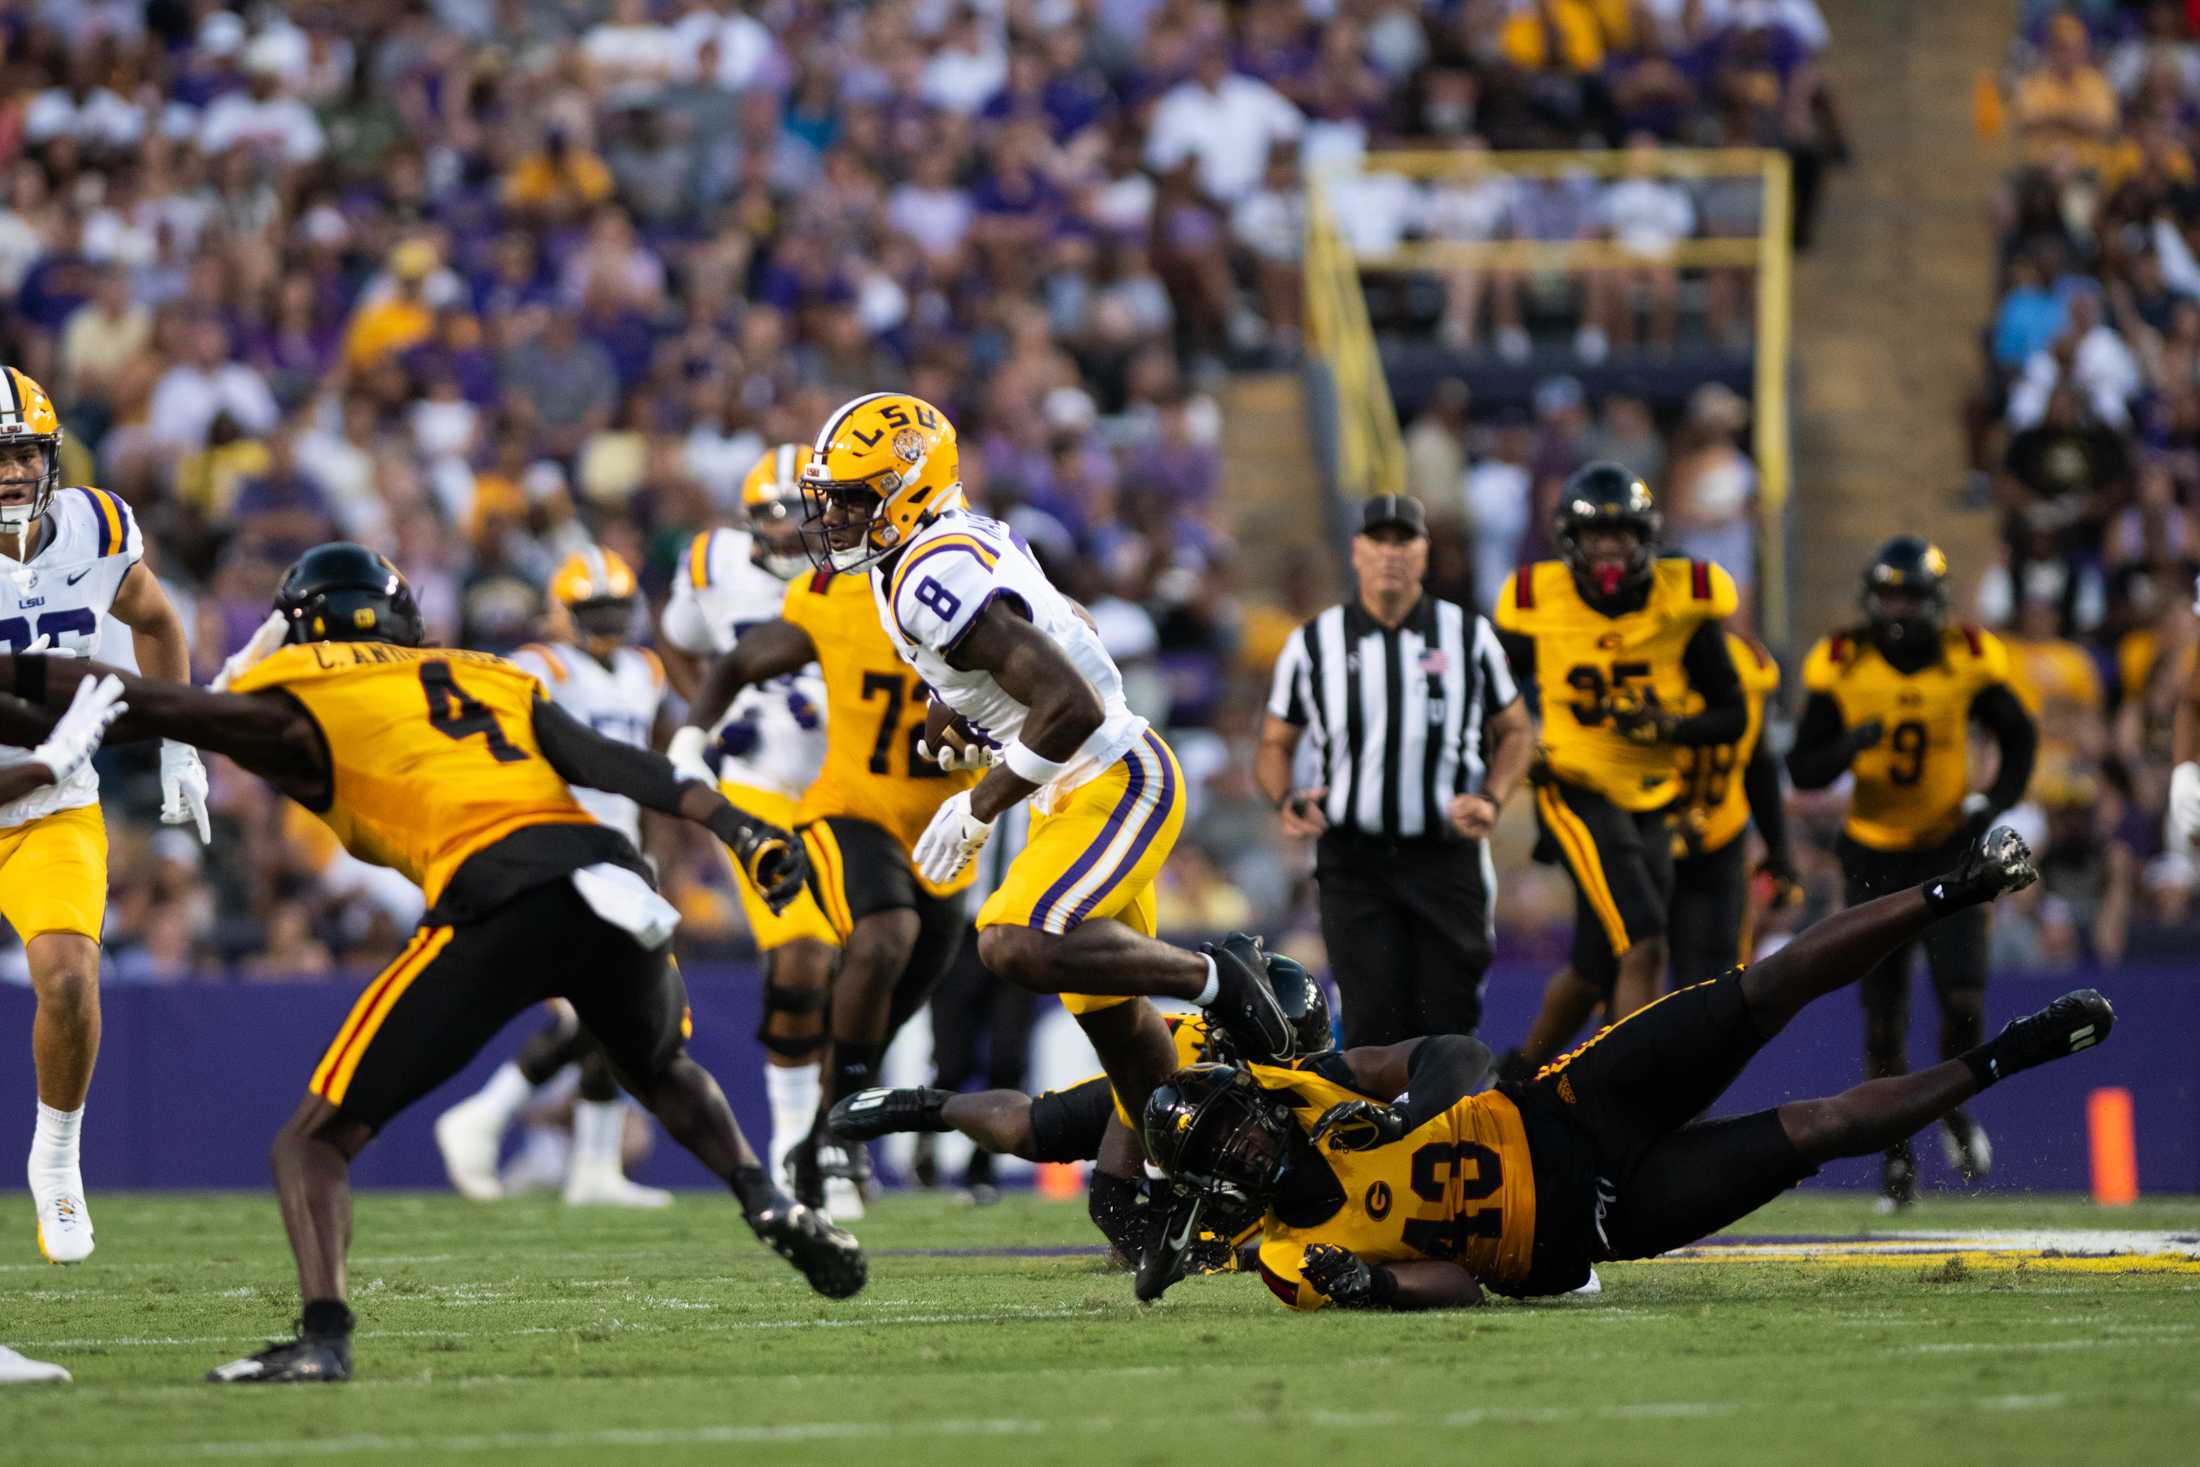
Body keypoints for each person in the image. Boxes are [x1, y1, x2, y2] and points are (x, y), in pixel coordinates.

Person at [0, 542, 862, 1382]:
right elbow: (614, 764)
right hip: (611, 879)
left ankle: (324, 1336)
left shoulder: (297, 683)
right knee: (663, 1066)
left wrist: (26, 678)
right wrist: (740, 828)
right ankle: (765, 1194)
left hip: (499, 891)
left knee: (312, 1144)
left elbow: (139, 702)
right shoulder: (485, 671)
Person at [1145, 830, 2112, 1310]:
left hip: (1567, 1102)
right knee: (1818, 1128)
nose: (1244, 1136)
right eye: (1222, 1147)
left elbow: (1459, 1054)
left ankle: (1961, 885)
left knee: (1764, 988)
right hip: (1592, 1223)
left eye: (1233, 1116)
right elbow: (1455, 1284)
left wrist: (1407, 1116)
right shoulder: (1283, 1255)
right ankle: (2011, 1052)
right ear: (1217, 1182)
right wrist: (1378, 1293)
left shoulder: (1309, 1087)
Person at [798, 390, 1296, 1257]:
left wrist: (981, 798)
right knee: (1124, 1035)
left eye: (852, 495)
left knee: (1011, 940)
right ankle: (1192, 1193)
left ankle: (1220, 977)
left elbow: (1065, 702)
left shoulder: (930, 569)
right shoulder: (928, 553)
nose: (835, 514)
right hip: (1077, 789)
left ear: (909, 488)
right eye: (832, 496)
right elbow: (1072, 625)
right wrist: (962, 710)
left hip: (1115, 775)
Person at [671, 441, 985, 1220]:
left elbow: (1052, 650)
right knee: (879, 939)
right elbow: (741, 658)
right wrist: (691, 736)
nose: (828, 525)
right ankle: (837, 1137)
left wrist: (997, 726)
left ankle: (830, 1121)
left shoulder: (976, 581)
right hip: (849, 801)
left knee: (903, 986)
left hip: (946, 818)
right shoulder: (828, 592)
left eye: (849, 507)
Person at [0, 363, 207, 1266]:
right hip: (29, 773)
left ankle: (56, 1159)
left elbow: (157, 621)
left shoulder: (96, 528)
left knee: (72, 978)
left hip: (49, 808)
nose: (10, 472)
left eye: (22, 453)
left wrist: (179, 742)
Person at [1787, 536, 2038, 1209]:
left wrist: (1994, 799)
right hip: (1872, 854)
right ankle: (1897, 1162)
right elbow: (1803, 765)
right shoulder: (1842, 660)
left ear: (1935, 599)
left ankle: (1955, 1109)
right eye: (1888, 592)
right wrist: (1848, 746)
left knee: (1961, 998)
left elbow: (2020, 735)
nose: (1897, 607)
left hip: (1948, 848)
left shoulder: (1968, 655)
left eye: (1909, 594)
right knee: (1883, 1020)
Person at [434, 547, 676, 1209]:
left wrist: (652, 855)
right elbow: (480, 714)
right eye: (591, 608)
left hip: (621, 854)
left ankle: (592, 1167)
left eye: (614, 607)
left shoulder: (644, 670)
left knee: (626, 1009)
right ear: (560, 613)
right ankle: (485, 1114)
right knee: (612, 1004)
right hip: (565, 845)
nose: (605, 620)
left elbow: (646, 762)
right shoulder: (542, 664)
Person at [1492, 463, 1743, 1068]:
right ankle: (1621, 1089)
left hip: (1654, 795)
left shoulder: (1682, 599)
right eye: (1597, 536)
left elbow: (1731, 713)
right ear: (1570, 542)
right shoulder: (1535, 600)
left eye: (1622, 535)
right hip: (1574, 787)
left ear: (1646, 538)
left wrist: (1670, 727)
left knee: (1596, 962)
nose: (1609, 550)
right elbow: (1491, 696)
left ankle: (1519, 1075)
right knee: (1644, 940)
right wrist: (1518, 752)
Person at [1258, 493, 1531, 1045]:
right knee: (1369, 1024)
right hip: (1355, 861)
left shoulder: (1468, 636)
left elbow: (1517, 731)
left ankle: (1444, 1132)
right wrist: (1286, 798)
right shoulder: (1314, 644)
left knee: (1449, 1027)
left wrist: (1494, 798)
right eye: (1378, 540)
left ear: (1424, 553)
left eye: (1403, 540)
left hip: (1446, 856)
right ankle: (1375, 1133)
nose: (1390, 552)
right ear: (1357, 551)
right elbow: (1273, 744)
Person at [657, 445, 839, 1199]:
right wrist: (710, 711)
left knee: (860, 968)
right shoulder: (713, 563)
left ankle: (836, 1143)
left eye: (808, 510)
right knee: (800, 953)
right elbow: (676, 637)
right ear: (751, 520)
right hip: (759, 779)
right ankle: (799, 1143)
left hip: (848, 783)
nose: (797, 528)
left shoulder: (867, 564)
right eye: (781, 513)